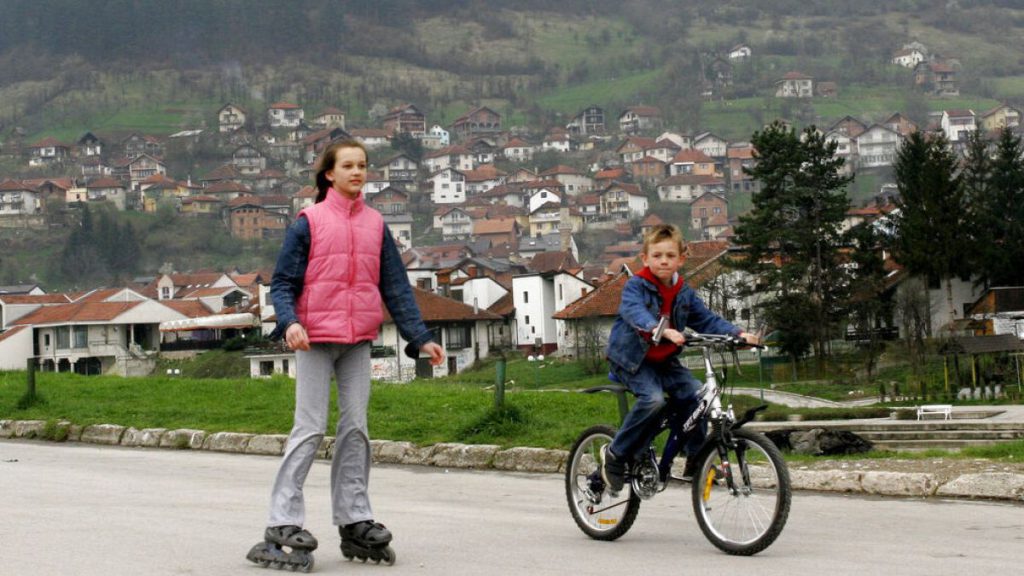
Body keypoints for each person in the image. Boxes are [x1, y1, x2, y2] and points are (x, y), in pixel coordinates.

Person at [247, 139, 445, 570]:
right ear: (329, 174)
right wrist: (290, 323)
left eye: (363, 165)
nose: (358, 172)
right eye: (348, 165)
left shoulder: (376, 225)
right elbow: (282, 284)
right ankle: (281, 523)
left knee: (356, 429)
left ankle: (354, 519)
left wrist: (420, 337)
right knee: (310, 429)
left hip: (357, 339)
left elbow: (395, 287)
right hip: (315, 339)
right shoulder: (309, 222)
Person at [600, 224, 759, 494]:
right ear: (645, 258)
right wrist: (659, 329)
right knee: (654, 400)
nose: (664, 261)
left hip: (664, 362)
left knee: (697, 398)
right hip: (632, 361)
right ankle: (615, 455)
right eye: (658, 255)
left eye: (670, 256)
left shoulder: (683, 292)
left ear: (681, 259)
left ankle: (696, 459)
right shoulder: (635, 287)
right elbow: (634, 312)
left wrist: (738, 334)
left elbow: (706, 319)